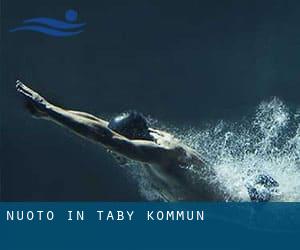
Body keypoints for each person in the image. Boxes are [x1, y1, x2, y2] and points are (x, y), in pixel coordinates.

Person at [15, 80, 277, 201]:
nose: (111, 151)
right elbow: (99, 126)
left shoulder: (161, 154)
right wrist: (51, 113)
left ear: (132, 140)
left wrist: (48, 109)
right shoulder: (146, 139)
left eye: (115, 146)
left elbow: (105, 137)